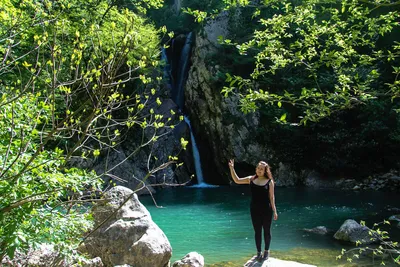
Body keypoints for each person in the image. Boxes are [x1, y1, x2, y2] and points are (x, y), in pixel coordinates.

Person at [228, 159, 278, 261]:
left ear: (265, 171)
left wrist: (275, 211)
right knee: (257, 231)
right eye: (258, 168)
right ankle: (258, 252)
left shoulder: (269, 182)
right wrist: (232, 168)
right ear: (256, 169)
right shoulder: (251, 179)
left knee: (267, 231)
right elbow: (237, 180)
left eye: (262, 169)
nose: (259, 170)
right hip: (254, 209)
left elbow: (272, 197)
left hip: (267, 209)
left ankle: (266, 251)